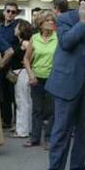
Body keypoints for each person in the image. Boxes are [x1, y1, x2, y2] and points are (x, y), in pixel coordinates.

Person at [44, 0, 85, 170]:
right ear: (81, 1)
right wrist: (82, 22)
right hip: (67, 84)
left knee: (84, 132)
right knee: (61, 132)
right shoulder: (66, 18)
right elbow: (65, 43)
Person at [23, 11, 57, 149]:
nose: (50, 22)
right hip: (36, 77)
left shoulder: (58, 37)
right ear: (40, 24)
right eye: (47, 20)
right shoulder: (35, 38)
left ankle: (49, 138)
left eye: (52, 20)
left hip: (53, 78)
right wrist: (30, 74)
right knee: (37, 109)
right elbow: (26, 58)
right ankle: (35, 138)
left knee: (51, 110)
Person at [0, 1, 20, 129]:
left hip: (13, 65)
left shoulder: (17, 27)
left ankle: (18, 123)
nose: (10, 14)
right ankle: (6, 119)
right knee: (3, 94)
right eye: (8, 11)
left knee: (15, 95)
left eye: (13, 12)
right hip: (0, 66)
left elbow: (20, 44)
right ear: (4, 12)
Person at [10, 19, 33, 138]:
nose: (14, 29)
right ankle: (27, 128)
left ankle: (22, 130)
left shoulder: (24, 43)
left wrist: (27, 62)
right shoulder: (24, 42)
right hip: (23, 72)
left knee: (22, 101)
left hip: (22, 73)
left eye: (16, 27)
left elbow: (33, 51)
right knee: (26, 101)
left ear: (21, 30)